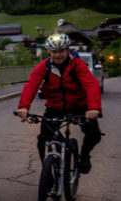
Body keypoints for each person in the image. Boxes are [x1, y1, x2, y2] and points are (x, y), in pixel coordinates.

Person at [16, 33, 102, 174]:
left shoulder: (78, 65)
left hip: (78, 105)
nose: (58, 55)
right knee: (43, 139)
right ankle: (47, 171)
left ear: (68, 50)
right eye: (54, 52)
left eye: (61, 51)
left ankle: (84, 156)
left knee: (94, 133)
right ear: (49, 52)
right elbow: (31, 85)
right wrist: (24, 107)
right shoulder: (45, 66)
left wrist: (93, 108)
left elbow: (91, 85)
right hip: (55, 107)